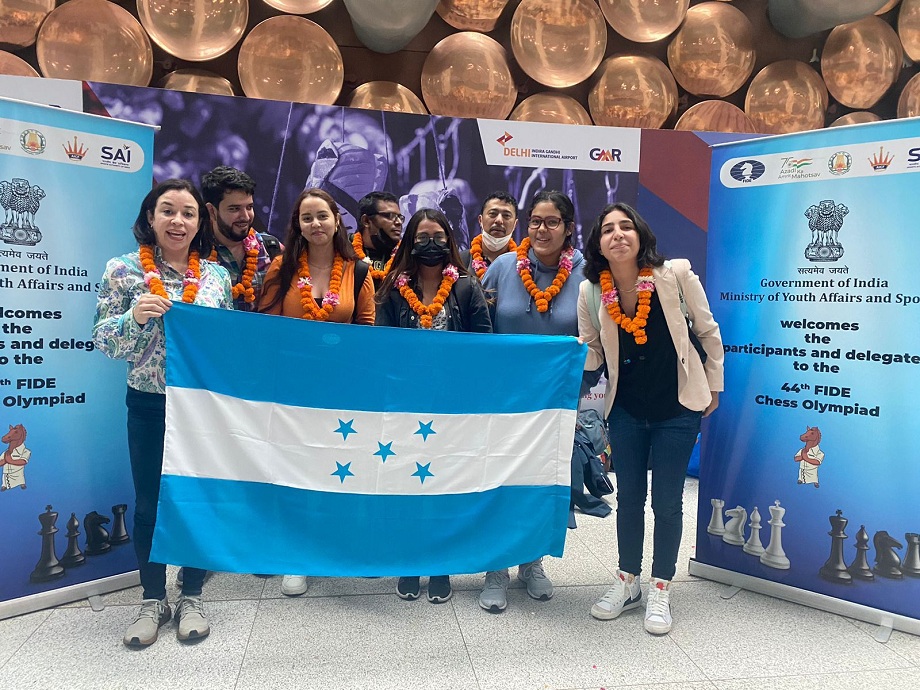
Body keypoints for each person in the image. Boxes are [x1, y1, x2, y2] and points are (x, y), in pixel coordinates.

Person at [93, 179, 233, 647]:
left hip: (202, 409)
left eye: (189, 213)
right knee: (150, 503)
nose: (178, 221)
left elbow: (224, 348)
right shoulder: (122, 271)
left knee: (195, 498)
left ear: (200, 222)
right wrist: (132, 318)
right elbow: (104, 343)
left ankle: (190, 593)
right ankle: (152, 599)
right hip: (150, 403)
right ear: (150, 217)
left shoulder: (216, 278)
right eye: (168, 211)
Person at [577, 202, 723, 635]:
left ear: (640, 236)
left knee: (667, 501)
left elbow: (707, 329)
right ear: (598, 244)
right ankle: (627, 580)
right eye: (607, 229)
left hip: (677, 408)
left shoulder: (675, 274)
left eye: (626, 226)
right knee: (629, 500)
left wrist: (714, 385)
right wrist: (563, 356)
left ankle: (661, 585)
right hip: (625, 409)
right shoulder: (590, 293)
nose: (617, 234)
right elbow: (593, 351)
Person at [258, 188, 375, 596]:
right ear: (298, 225)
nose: (315, 224)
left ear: (335, 219)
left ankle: (337, 546)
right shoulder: (281, 269)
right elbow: (267, 330)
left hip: (342, 390)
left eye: (322, 216)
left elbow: (366, 331)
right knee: (297, 468)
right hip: (294, 390)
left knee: (339, 467)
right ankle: (296, 554)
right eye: (306, 218)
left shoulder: (358, 271)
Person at [375, 208, 492, 602]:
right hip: (406, 406)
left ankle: (441, 564)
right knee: (408, 482)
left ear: (450, 241)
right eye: (422, 237)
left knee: (444, 483)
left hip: (452, 408)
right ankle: (409, 560)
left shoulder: (465, 286)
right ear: (410, 242)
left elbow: (483, 343)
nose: (431, 244)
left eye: (439, 237)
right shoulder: (392, 288)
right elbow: (382, 349)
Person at [478, 190, 586, 612]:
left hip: (554, 405)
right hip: (502, 402)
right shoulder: (503, 267)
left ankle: (532, 562)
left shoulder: (585, 274)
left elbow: (594, 339)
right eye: (536, 221)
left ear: (568, 227)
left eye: (552, 222)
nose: (542, 229)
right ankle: (495, 568)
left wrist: (579, 388)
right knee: (500, 482)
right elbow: (478, 328)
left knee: (541, 484)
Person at [200, 165, 278, 311]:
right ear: (211, 211)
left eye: (249, 207)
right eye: (234, 209)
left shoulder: (271, 248)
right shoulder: (195, 252)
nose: (245, 217)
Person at [460, 191, 518, 279]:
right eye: (493, 214)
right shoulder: (461, 262)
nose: (499, 220)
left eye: (506, 215)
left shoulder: (523, 265)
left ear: (515, 224)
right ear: (480, 220)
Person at [352, 191, 403, 288]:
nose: (399, 222)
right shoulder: (345, 252)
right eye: (389, 216)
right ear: (366, 221)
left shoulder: (405, 256)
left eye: (399, 217)